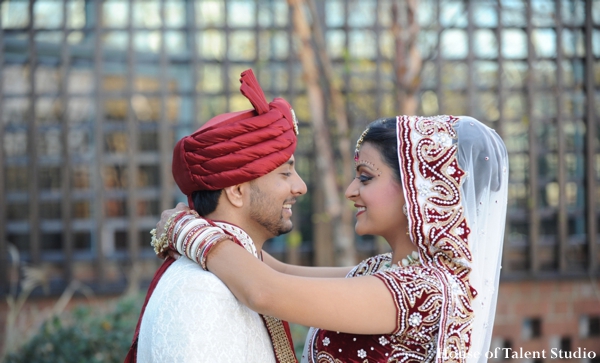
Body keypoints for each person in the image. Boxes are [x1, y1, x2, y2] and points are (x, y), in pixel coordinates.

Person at [156, 115, 508, 362]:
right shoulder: (387, 271)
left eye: (366, 178)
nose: (351, 191)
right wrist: (210, 217)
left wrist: (186, 231)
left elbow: (265, 291)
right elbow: (273, 270)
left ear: (416, 191)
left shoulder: (423, 291)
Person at [126, 69, 351, 363]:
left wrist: (186, 230)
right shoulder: (201, 290)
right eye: (285, 172)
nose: (301, 186)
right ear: (236, 191)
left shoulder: (236, 270)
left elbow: (275, 276)